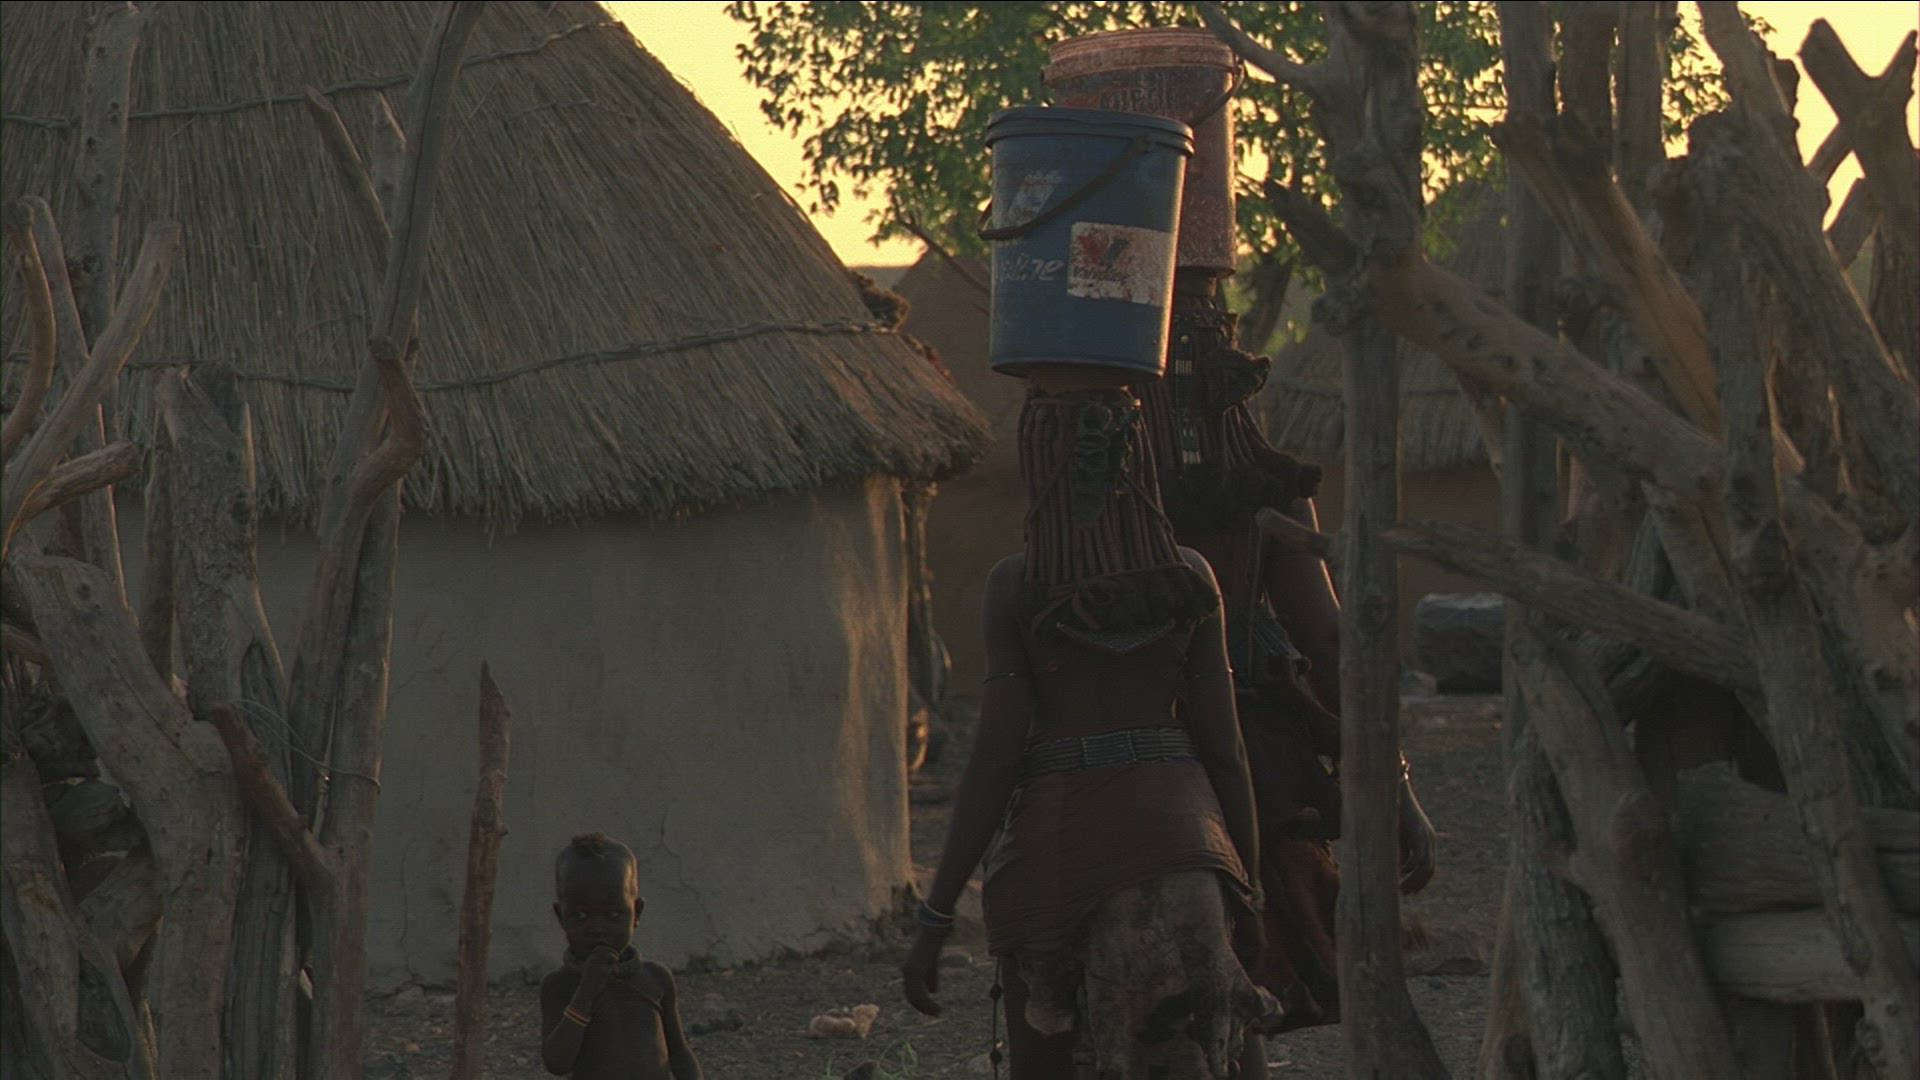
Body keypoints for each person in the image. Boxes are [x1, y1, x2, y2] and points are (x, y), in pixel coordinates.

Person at [902, 383, 1279, 1078]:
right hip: (1185, 845)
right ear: (1138, 460)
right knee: (1221, 1054)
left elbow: (994, 761)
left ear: (1039, 465)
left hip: (1057, 859)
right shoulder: (1189, 577)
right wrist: (1245, 894)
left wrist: (936, 916)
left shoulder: (1017, 587)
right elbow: (1226, 754)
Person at [1140, 275, 1438, 1032]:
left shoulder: (1115, 484)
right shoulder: (1256, 488)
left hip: (1158, 743)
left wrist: (1395, 785)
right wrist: (1396, 789)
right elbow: (1327, 638)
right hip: (1242, 744)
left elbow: (1330, 641)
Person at [540, 833, 702, 1080]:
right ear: (561, 916)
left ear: (637, 913)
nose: (597, 928)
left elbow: (679, 1053)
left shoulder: (655, 978)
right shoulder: (559, 986)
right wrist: (586, 993)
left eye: (614, 915)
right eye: (581, 915)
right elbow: (557, 1063)